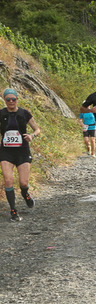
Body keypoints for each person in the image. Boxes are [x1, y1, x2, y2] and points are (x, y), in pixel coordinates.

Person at [0, 88, 41, 222]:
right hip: (6, 151)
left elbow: (37, 129)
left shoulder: (24, 113)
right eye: (8, 99)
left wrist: (32, 136)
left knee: (23, 183)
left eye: (13, 99)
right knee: (8, 180)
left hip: (22, 151)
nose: (11, 101)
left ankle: (25, 193)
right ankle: (13, 211)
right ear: (5, 100)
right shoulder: (1, 113)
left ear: (17, 99)